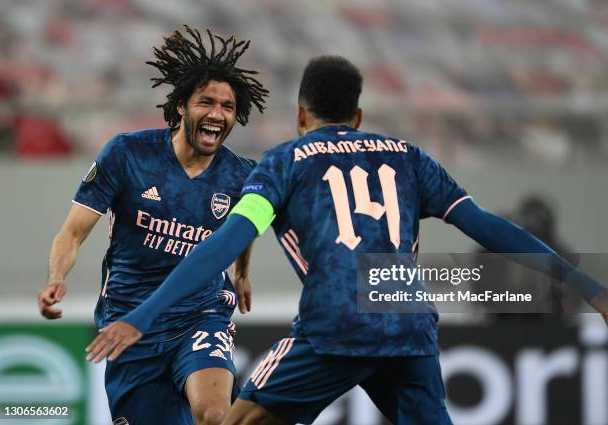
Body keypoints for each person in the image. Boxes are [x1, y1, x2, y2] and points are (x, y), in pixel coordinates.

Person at [86, 56, 608, 425]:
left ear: (299, 116)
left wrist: (141, 315)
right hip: (407, 320)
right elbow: (492, 229)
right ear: (358, 117)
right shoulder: (410, 156)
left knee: (235, 421)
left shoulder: (283, 161)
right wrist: (588, 286)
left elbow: (222, 245)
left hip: (335, 321)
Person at [37, 26, 268, 425]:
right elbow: (74, 231)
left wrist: (242, 273)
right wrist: (56, 276)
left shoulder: (242, 175)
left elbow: (242, 228)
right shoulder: (128, 154)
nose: (217, 114)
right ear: (181, 106)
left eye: (228, 107)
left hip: (201, 313)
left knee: (215, 414)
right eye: (206, 102)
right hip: (129, 322)